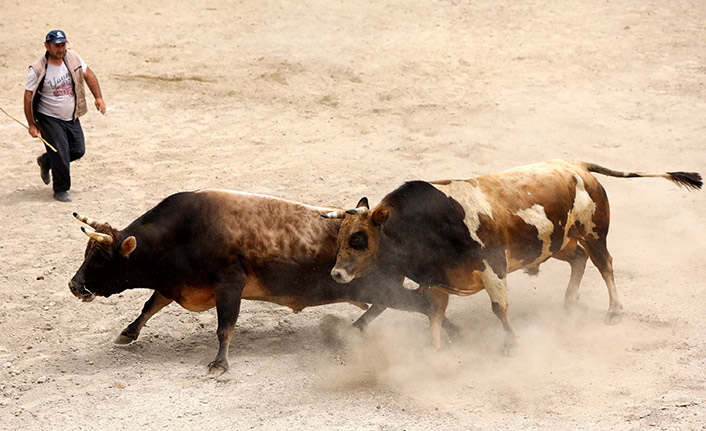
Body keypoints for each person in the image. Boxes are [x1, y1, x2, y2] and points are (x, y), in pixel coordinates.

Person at [24, 30, 106, 202]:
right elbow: (28, 96)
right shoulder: (37, 68)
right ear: (47, 46)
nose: (61, 49)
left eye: (63, 45)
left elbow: (89, 75)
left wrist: (98, 97)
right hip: (49, 117)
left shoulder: (74, 58)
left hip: (72, 115)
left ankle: (46, 161)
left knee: (78, 150)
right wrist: (32, 124)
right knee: (60, 153)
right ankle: (60, 189)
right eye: (57, 46)